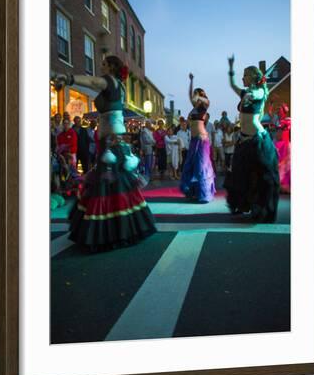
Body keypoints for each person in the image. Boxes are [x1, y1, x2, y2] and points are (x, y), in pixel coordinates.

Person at [54, 56, 156, 251]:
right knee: (114, 183)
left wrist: (69, 78)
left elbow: (92, 81)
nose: (100, 66)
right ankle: (121, 228)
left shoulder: (109, 81)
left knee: (109, 182)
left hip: (110, 141)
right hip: (110, 139)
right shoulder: (119, 85)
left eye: (103, 64)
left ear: (110, 67)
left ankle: (113, 231)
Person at [225, 55, 279, 222]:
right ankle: (243, 205)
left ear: (253, 77)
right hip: (243, 139)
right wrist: (231, 68)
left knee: (261, 177)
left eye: (245, 75)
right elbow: (233, 84)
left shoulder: (260, 91)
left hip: (258, 139)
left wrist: (250, 95)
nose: (242, 78)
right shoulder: (244, 92)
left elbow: (256, 94)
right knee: (241, 175)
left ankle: (259, 208)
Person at [180, 73, 215, 203]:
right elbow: (190, 94)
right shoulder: (194, 107)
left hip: (201, 138)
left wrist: (199, 95)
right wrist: (191, 81)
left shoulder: (204, 105)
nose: (193, 98)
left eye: (196, 95)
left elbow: (206, 100)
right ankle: (193, 192)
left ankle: (204, 193)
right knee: (191, 165)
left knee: (201, 167)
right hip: (194, 140)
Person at [274, 104, 291, 193]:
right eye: (278, 111)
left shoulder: (288, 121)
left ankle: (285, 186)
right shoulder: (278, 120)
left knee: (285, 164)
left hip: (285, 144)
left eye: (280, 110)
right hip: (280, 144)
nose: (279, 112)